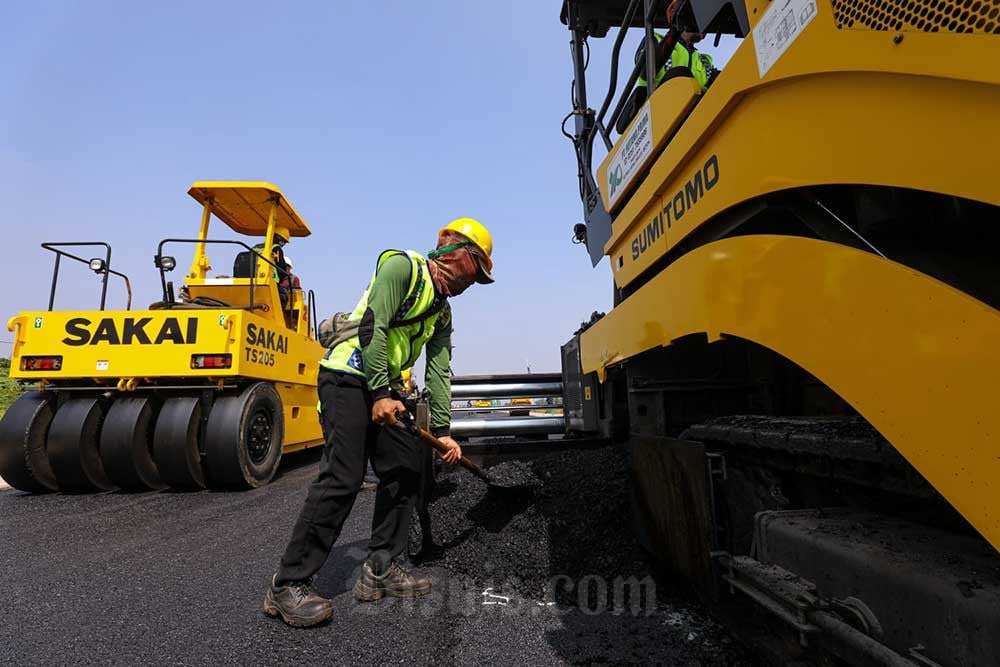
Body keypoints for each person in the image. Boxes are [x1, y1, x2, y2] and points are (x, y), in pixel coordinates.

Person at [263, 217, 495, 628]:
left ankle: (380, 570)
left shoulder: (442, 313)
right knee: (343, 476)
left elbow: (439, 370)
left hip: (385, 385)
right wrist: (380, 394)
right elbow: (374, 326)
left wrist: (442, 432)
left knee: (407, 466)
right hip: (348, 376)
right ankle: (287, 584)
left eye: (479, 275)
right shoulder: (401, 267)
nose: (473, 279)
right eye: (474, 265)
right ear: (447, 245)